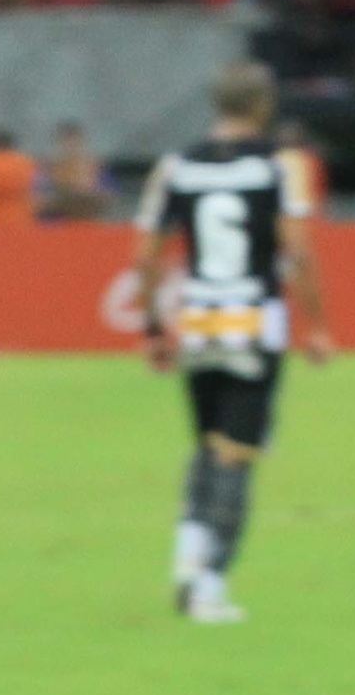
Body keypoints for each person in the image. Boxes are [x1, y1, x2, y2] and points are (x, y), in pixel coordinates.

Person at [133, 61, 333, 624]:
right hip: (252, 322)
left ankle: (186, 561)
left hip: (198, 322)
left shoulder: (176, 167)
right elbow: (297, 251)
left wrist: (153, 326)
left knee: (206, 443)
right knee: (236, 453)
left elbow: (146, 255)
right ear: (264, 107)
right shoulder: (280, 166)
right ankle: (209, 585)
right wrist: (317, 327)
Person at [41, 120, 114, 220]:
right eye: (67, 142)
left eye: (74, 141)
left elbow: (109, 196)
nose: (71, 147)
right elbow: (41, 197)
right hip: (58, 218)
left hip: (89, 215)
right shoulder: (49, 168)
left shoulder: (94, 167)